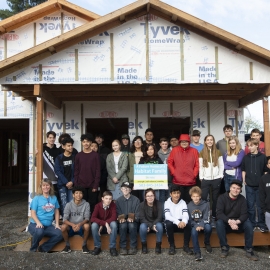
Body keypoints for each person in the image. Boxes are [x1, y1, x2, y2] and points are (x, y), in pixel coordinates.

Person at [216, 180, 258, 261]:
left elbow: (244, 214)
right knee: (219, 223)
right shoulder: (222, 198)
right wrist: (230, 221)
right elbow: (219, 213)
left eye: (238, 189)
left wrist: (237, 222)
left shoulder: (242, 199)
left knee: (249, 224)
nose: (236, 190)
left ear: (240, 190)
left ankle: (249, 249)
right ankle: (224, 247)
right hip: (227, 223)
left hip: (238, 223)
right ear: (230, 188)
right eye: (234, 188)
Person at [28, 179, 63, 252]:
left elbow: (56, 210)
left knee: (60, 234)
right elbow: (33, 213)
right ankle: (33, 249)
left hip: (48, 226)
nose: (45, 187)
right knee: (40, 231)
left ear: (50, 186)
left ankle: (43, 248)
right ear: (41, 187)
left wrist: (57, 224)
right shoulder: (36, 198)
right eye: (44, 185)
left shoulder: (54, 198)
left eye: (47, 185)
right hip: (35, 224)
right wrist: (38, 222)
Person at [241, 138, 268, 232]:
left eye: (251, 145)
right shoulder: (246, 157)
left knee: (260, 206)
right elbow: (243, 169)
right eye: (248, 146)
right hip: (249, 185)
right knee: (250, 206)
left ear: (257, 145)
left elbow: (265, 171)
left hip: (260, 186)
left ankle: (261, 223)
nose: (250, 147)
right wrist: (244, 180)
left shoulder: (263, 157)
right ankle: (252, 223)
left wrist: (263, 182)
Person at [199, 135, 224, 228]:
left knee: (215, 199)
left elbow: (221, 165)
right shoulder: (202, 153)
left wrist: (221, 176)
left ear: (213, 141)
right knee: (204, 199)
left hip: (216, 179)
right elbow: (200, 166)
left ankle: (213, 218)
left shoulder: (218, 152)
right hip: (205, 179)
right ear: (205, 142)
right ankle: (205, 217)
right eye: (208, 140)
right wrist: (201, 177)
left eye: (211, 140)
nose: (209, 141)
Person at [167, 134, 199, 203]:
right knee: (178, 201)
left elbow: (197, 164)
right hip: (177, 181)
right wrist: (174, 173)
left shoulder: (194, 151)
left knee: (189, 201)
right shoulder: (174, 150)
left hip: (190, 182)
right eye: (182, 141)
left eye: (186, 141)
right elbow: (169, 162)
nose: (184, 143)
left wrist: (194, 175)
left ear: (189, 142)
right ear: (179, 142)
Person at [74, 133, 100, 213]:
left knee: (92, 204)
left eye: (88, 141)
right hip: (81, 185)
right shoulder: (78, 155)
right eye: (84, 141)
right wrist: (77, 185)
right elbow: (76, 171)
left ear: (91, 143)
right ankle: (83, 222)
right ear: (82, 143)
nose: (86, 143)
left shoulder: (95, 155)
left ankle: (92, 222)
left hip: (92, 185)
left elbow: (98, 171)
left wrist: (96, 185)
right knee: (81, 204)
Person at [164, 185, 192, 255]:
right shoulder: (167, 202)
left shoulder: (183, 202)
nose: (176, 195)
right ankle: (172, 246)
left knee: (188, 223)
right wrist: (177, 222)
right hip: (173, 223)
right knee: (168, 223)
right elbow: (167, 216)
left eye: (178, 193)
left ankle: (186, 246)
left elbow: (185, 215)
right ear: (170, 194)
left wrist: (183, 222)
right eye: (174, 193)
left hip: (181, 224)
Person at [61, 186, 90, 254]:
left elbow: (87, 218)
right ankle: (67, 246)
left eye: (80, 193)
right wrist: (73, 225)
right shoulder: (68, 205)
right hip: (71, 227)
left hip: (81, 226)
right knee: (63, 227)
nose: (78, 195)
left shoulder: (86, 204)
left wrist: (79, 225)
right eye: (76, 193)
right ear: (73, 195)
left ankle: (84, 245)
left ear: (82, 195)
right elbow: (64, 219)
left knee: (87, 226)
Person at [187, 186, 212, 261]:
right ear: (191, 197)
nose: (195, 198)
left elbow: (207, 218)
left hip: (203, 223)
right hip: (194, 224)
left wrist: (201, 225)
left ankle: (207, 242)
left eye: (197, 196)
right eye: (194, 196)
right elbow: (189, 219)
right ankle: (197, 252)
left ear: (200, 196)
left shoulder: (206, 204)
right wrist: (196, 225)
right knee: (193, 232)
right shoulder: (189, 205)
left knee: (208, 227)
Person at [116, 182, 140, 255]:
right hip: (123, 220)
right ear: (121, 189)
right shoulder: (118, 200)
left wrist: (134, 218)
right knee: (123, 226)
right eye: (124, 188)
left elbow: (138, 212)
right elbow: (117, 212)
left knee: (131, 226)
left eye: (127, 188)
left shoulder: (136, 200)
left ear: (130, 190)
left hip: (133, 220)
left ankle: (133, 246)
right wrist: (120, 218)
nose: (125, 190)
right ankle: (123, 247)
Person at [91, 191, 118, 256]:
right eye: (106, 198)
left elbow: (114, 217)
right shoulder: (98, 206)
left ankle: (112, 247)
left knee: (114, 224)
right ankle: (97, 246)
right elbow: (93, 218)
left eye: (110, 199)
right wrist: (104, 224)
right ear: (102, 198)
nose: (108, 201)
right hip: (101, 226)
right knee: (94, 225)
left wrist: (105, 224)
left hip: (109, 227)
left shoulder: (113, 205)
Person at [55, 137, 76, 216]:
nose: (70, 147)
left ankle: (72, 223)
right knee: (64, 204)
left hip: (72, 185)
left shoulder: (75, 157)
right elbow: (57, 171)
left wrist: (72, 182)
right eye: (68, 146)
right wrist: (66, 182)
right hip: (62, 185)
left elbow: (77, 171)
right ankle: (65, 223)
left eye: (71, 145)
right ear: (63, 147)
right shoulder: (59, 158)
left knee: (72, 204)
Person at [139, 188, 163, 254]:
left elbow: (160, 217)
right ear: (145, 197)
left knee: (160, 226)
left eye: (151, 195)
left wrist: (153, 225)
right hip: (146, 223)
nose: (150, 197)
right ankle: (144, 246)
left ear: (154, 196)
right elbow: (142, 218)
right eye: (148, 196)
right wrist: (150, 225)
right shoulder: (141, 205)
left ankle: (158, 246)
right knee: (142, 227)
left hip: (156, 223)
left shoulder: (159, 204)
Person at [42, 131, 61, 203]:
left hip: (56, 179)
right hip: (45, 179)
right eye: (50, 137)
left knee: (55, 199)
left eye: (53, 138)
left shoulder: (58, 151)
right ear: (47, 138)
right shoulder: (42, 149)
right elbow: (36, 164)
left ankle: (56, 214)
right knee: (45, 199)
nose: (52, 139)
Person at [157, 137, 171, 201]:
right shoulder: (157, 154)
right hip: (161, 179)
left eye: (166, 144)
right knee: (161, 197)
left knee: (169, 196)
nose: (164, 145)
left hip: (170, 177)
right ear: (160, 144)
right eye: (163, 144)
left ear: (168, 144)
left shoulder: (172, 153)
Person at [259, 156, 270, 232]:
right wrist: (264, 211)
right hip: (269, 212)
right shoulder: (264, 178)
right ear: (267, 165)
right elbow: (262, 195)